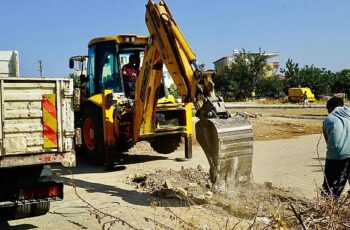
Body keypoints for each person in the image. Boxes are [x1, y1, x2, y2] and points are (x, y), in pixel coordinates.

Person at [322, 97, 350, 197]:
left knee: (330, 189)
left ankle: (328, 208)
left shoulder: (328, 119)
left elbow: (329, 143)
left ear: (330, 107)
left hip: (336, 157)